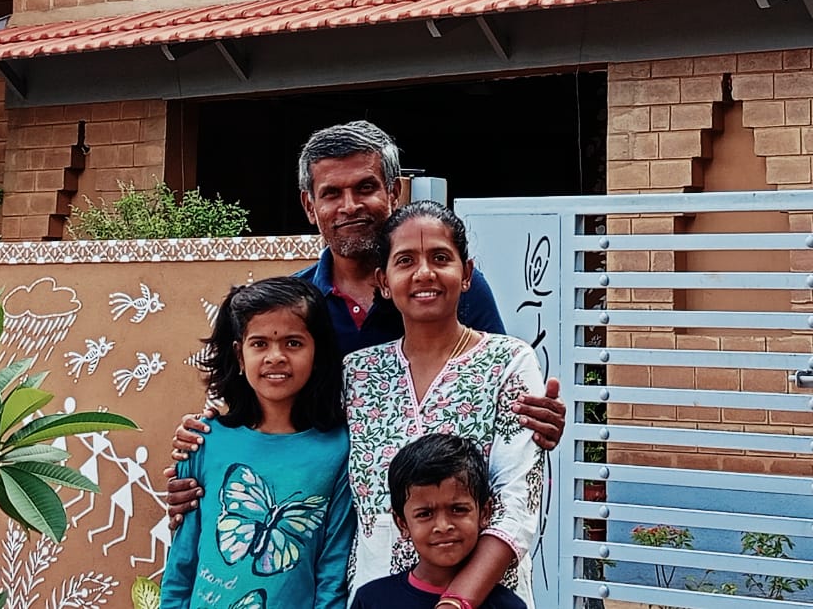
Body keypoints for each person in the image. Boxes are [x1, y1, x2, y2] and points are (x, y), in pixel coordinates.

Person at [167, 121, 565, 520]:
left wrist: (534, 421)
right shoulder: (290, 310)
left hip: (439, 529)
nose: (349, 206)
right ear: (309, 206)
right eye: (331, 194)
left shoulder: (452, 291)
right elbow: (246, 410)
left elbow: (497, 394)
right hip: (315, 522)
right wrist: (199, 456)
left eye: (365, 188)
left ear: (393, 193)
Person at [342, 202, 542, 608]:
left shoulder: (509, 362)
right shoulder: (358, 372)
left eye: (440, 258)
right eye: (405, 260)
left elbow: (519, 501)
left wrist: (457, 601)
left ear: (466, 274)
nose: (424, 273)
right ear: (383, 280)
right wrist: (200, 443)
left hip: (486, 597)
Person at [160, 277, 356, 609]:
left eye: (293, 343)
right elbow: (181, 562)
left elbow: (331, 572)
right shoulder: (204, 441)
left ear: (317, 352)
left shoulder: (338, 449)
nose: (275, 357)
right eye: (259, 344)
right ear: (239, 355)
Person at [350, 433, 527, 609]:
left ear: (485, 513)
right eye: (425, 514)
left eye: (458, 510)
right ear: (402, 523)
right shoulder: (372, 600)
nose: (443, 526)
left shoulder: (507, 605)